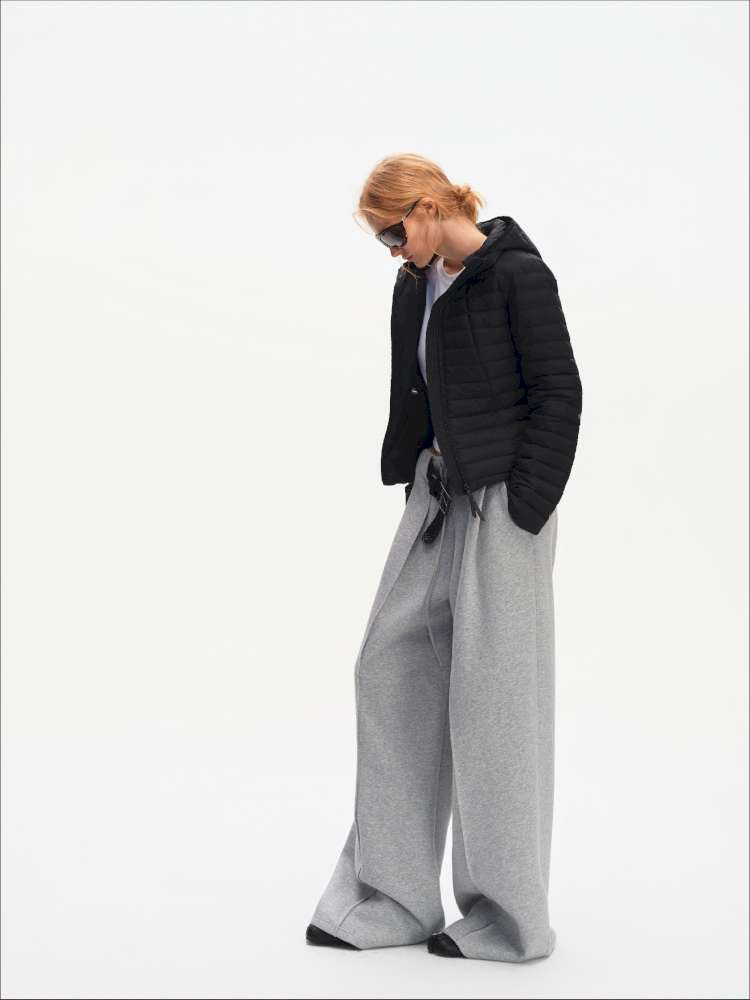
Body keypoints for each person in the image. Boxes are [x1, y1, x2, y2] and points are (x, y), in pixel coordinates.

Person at [305, 153, 582, 963]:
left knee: (495, 703)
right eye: (384, 241)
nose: (392, 251)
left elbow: (560, 394)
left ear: (428, 208)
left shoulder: (518, 276)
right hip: (436, 496)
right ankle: (394, 897)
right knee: (387, 669)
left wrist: (525, 507)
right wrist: (416, 473)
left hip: (505, 505)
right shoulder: (415, 283)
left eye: (393, 234)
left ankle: (507, 917)